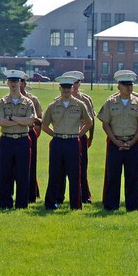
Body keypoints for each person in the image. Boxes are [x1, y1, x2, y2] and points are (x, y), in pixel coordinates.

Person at [97, 69, 138, 211]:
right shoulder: (110, 102)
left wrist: (133, 141)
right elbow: (105, 123)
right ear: (119, 86)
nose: (129, 87)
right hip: (115, 143)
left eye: (131, 84)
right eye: (126, 84)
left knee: (133, 175)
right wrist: (115, 140)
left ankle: (132, 206)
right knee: (113, 175)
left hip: (133, 142)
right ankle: (111, 205)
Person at [42, 75, 93, 210]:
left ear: (72, 89)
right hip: (58, 142)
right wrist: (55, 135)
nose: (66, 90)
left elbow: (89, 122)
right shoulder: (53, 106)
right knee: (54, 173)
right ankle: (50, 203)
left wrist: (79, 134)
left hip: (73, 142)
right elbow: (44, 125)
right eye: (63, 88)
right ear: (60, 88)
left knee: (74, 173)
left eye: (68, 88)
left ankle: (75, 205)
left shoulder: (79, 105)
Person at [55, 70, 95, 205]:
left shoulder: (85, 99)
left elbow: (91, 121)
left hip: (81, 136)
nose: (75, 85)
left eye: (77, 83)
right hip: (64, 137)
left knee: (81, 168)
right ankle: (59, 196)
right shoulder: (58, 100)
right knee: (61, 168)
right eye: (72, 83)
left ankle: (84, 195)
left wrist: (90, 137)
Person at [0, 70, 35, 209]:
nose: (13, 84)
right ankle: (5, 204)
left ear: (20, 83)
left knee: (23, 174)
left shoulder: (28, 102)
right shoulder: (3, 101)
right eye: (11, 81)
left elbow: (31, 121)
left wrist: (11, 118)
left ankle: (21, 204)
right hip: (7, 140)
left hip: (22, 140)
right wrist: (19, 121)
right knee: (5, 173)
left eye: (16, 81)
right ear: (7, 83)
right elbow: (0, 121)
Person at [20, 79, 43, 203]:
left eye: (19, 82)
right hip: (13, 133)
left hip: (29, 133)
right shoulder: (6, 99)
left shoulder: (33, 100)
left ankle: (31, 193)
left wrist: (35, 135)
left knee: (30, 165)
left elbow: (39, 119)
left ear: (23, 83)